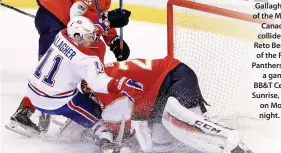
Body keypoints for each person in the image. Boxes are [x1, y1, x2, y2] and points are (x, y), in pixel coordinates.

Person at [9, 0, 131, 134]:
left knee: (92, 47)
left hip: (52, 18)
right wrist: (108, 21)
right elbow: (77, 15)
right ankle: (25, 113)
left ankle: (42, 108)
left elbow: (95, 17)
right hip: (54, 20)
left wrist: (112, 39)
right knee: (52, 68)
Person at [5, 16, 144, 146]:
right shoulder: (87, 59)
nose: (93, 39)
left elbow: (80, 33)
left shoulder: (62, 35)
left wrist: (104, 25)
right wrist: (119, 84)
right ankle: (106, 143)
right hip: (56, 102)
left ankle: (24, 110)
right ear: (77, 37)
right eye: (90, 37)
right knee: (99, 117)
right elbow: (97, 82)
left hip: (32, 94)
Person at [80, 56, 253, 153]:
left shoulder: (105, 90)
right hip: (162, 88)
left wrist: (110, 139)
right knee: (163, 140)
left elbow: (125, 128)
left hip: (173, 78)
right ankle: (215, 135)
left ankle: (230, 139)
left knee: (183, 128)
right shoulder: (102, 74)